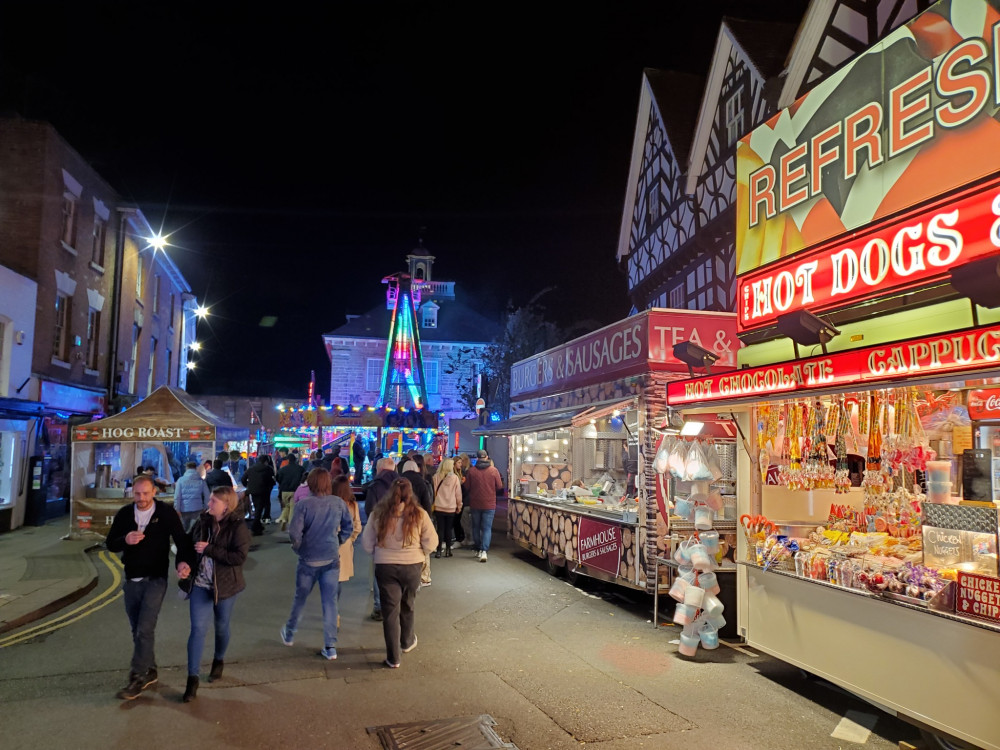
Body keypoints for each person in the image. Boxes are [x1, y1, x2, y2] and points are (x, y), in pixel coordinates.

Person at [106, 475, 195, 700]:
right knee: (138, 629)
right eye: (137, 494)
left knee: (144, 628)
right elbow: (110, 543)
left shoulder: (165, 513)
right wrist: (125, 539)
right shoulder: (126, 514)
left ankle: (138, 676)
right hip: (132, 579)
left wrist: (183, 562)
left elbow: (181, 541)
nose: (141, 498)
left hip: (156, 578)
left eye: (146, 493)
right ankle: (151, 668)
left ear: (154, 491)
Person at [182, 485, 250, 702]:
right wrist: (183, 564)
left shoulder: (237, 527)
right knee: (198, 629)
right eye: (209, 500)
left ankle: (218, 660)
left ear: (226, 506)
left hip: (226, 586)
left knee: (221, 627)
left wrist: (210, 549)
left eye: (213, 501)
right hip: (201, 585)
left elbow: (239, 557)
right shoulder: (202, 522)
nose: (208, 504)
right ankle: (192, 680)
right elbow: (186, 544)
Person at [361, 478, 438, 669]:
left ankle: (393, 658)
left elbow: (366, 543)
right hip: (412, 565)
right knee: (408, 604)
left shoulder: (378, 514)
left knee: (390, 611)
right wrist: (420, 553)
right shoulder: (419, 514)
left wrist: (378, 553)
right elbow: (431, 542)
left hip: (385, 566)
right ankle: (407, 642)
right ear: (410, 493)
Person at [280, 468, 354, 660]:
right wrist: (338, 541)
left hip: (308, 559)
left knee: (300, 598)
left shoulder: (303, 505)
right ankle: (330, 646)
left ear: (310, 483)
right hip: (331, 558)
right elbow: (349, 526)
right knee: (330, 603)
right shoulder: (338, 503)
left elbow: (294, 534)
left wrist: (299, 548)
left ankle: (289, 633)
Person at [364, 456, 400, 620]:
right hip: (401, 534)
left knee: (380, 571)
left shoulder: (375, 486)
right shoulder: (403, 485)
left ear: (379, 469)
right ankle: (396, 605)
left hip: (381, 534)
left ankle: (379, 607)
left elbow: (370, 510)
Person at [332, 474, 362, 628]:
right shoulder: (352, 504)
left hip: (327, 544)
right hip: (344, 545)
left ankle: (331, 611)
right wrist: (351, 539)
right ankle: (334, 611)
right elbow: (357, 526)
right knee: (337, 579)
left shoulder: (328, 503)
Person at [464, 449, 503, 562]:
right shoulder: (493, 471)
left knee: (476, 527)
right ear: (487, 457)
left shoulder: (471, 471)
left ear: (477, 458)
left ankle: (477, 548)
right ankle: (484, 551)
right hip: (489, 503)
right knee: (487, 528)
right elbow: (499, 486)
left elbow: (467, 486)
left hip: (475, 503)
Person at [400, 459, 433, 586]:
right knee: (423, 547)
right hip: (419, 517)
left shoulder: (399, 482)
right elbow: (427, 502)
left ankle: (408, 575)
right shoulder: (421, 482)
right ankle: (424, 577)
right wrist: (428, 518)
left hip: (403, 517)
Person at [432, 458, 462, 558]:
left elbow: (433, 492)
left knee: (440, 529)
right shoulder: (455, 478)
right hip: (451, 507)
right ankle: (448, 551)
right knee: (448, 529)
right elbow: (458, 494)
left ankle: (439, 550)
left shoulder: (436, 477)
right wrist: (459, 506)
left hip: (439, 506)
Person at [242, 453, 276, 536]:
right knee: (259, 509)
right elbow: (271, 479)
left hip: (253, 490)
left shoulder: (251, 469)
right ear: (265, 461)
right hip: (263, 490)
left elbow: (243, 479)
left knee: (257, 507)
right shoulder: (268, 469)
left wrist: (248, 486)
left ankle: (258, 527)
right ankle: (254, 527)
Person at [174, 460, 211, 532]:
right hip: (197, 509)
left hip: (184, 509)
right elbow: (207, 495)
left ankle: (185, 542)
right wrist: (205, 507)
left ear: (186, 469)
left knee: (184, 530)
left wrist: (177, 509)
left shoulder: (180, 480)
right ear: (195, 468)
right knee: (195, 531)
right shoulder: (201, 480)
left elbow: (177, 496)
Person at [275, 452, 305, 530]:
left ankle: (283, 519)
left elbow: (277, 478)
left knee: (287, 506)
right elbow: (304, 478)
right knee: (292, 508)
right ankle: (291, 526)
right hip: (295, 490)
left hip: (284, 491)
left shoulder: (282, 469)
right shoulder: (300, 469)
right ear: (295, 460)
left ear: (288, 460)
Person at [454, 453, 471, 546]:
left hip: (464, 499)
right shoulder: (465, 471)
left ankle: (462, 538)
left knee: (460, 519)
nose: (461, 464)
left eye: (461, 461)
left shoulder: (465, 472)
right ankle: (464, 538)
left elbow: (464, 488)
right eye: (459, 462)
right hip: (464, 499)